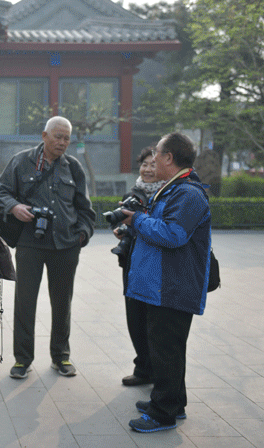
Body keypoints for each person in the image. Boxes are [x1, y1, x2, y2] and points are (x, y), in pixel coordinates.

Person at [118, 132, 212, 433]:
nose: (153, 159)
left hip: (172, 287)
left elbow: (173, 234)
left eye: (157, 154)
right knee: (167, 348)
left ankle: (163, 413)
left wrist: (137, 220)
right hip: (162, 284)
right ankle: (173, 402)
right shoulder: (172, 189)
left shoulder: (188, 194)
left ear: (169, 158)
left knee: (166, 350)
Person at [0, 116, 95, 379]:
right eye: (58, 137)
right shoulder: (21, 161)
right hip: (30, 243)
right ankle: (22, 359)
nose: (62, 142)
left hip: (66, 244)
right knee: (25, 303)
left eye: (66, 138)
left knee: (62, 303)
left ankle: (61, 356)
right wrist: (14, 207)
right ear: (44, 135)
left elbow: (85, 208)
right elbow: (0, 193)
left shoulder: (73, 167)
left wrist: (82, 234)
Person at [111, 147, 166, 386]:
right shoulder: (132, 194)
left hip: (157, 264)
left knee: (155, 321)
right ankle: (143, 368)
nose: (148, 169)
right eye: (145, 164)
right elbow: (126, 224)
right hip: (132, 262)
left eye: (153, 164)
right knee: (134, 317)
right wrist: (122, 230)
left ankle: (158, 371)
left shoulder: (168, 195)